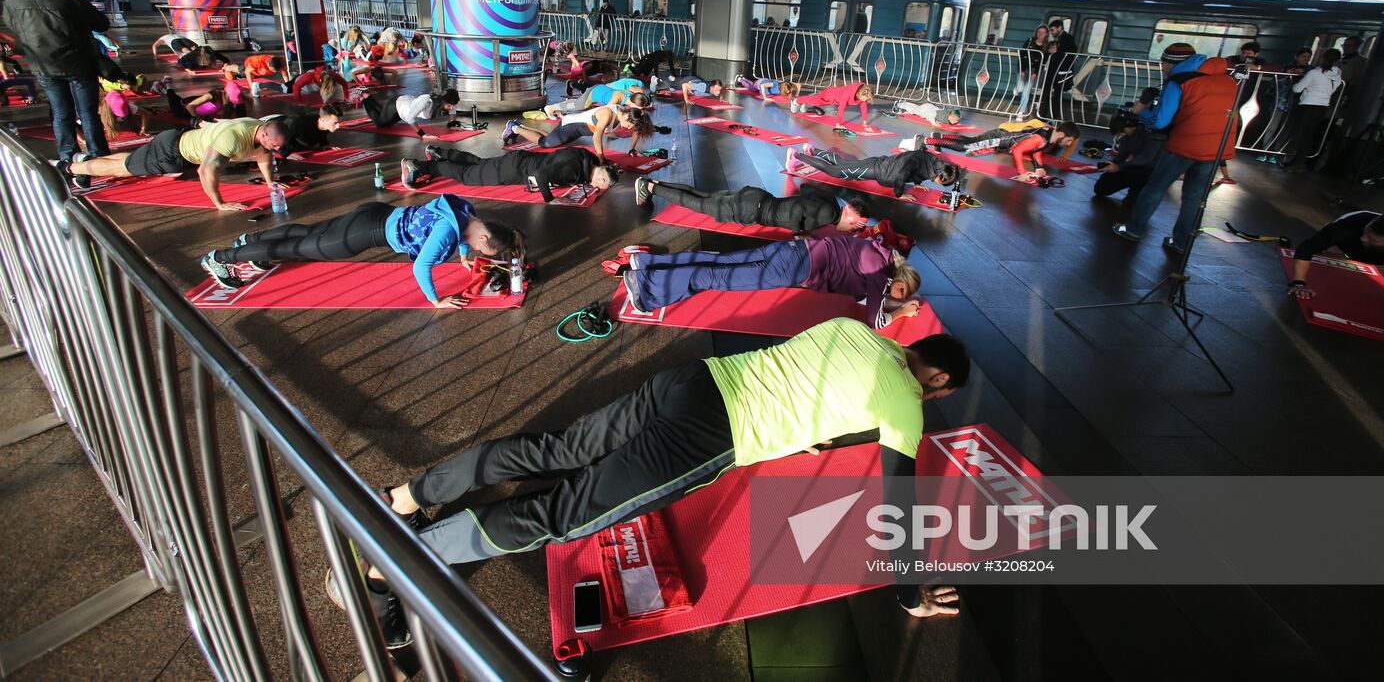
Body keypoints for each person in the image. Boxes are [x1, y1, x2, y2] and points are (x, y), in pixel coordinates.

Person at [347, 318, 970, 645]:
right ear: (937, 381)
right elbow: (897, 506)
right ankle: (394, 561)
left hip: (692, 380)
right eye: (939, 393)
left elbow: (801, 373)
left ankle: (404, 497)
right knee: (561, 516)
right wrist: (908, 593)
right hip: (707, 434)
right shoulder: (906, 405)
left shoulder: (856, 331)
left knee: (554, 450)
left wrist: (799, 431)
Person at [198, 195, 526, 308]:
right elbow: (420, 268)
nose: (475, 250)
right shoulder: (446, 235)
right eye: (481, 249)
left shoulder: (467, 212)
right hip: (361, 235)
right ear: (483, 239)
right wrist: (435, 300)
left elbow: (458, 230)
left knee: (306, 232)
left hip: (374, 212)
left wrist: (462, 255)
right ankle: (220, 259)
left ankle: (249, 241)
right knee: (298, 247)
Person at [617, 235, 923, 327]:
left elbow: (865, 296)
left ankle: (644, 263)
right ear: (898, 277)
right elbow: (874, 319)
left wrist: (893, 300)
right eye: (898, 289)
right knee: (715, 277)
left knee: (718, 261)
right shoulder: (876, 270)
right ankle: (645, 290)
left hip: (792, 249)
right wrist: (901, 312)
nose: (892, 293)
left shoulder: (872, 251)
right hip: (794, 267)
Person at [1112, 44, 1240, 252]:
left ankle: (1133, 229)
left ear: (1172, 63)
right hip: (1218, 147)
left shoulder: (1179, 82)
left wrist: (1141, 111)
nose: (1162, 68)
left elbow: (1160, 121)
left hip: (1186, 144)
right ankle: (1181, 242)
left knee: (1155, 188)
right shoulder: (1228, 79)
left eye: (1164, 63)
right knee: (1194, 197)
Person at [1, 0, 114, 164]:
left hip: (43, 66)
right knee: (87, 112)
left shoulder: (13, 4)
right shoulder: (70, 2)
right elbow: (102, 23)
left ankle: (67, 155)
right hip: (79, 64)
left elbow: (13, 25)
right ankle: (98, 154)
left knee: (61, 112)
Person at [67, 117, 288, 205]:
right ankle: (70, 167)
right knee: (122, 169)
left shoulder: (259, 129)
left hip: (180, 141)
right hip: (171, 152)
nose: (277, 149)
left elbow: (264, 156)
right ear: (265, 135)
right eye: (275, 145)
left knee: (131, 160)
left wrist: (270, 182)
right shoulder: (232, 138)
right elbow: (205, 171)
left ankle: (86, 161)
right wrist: (220, 203)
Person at [635, 178, 872, 234]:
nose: (851, 231)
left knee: (703, 195)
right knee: (698, 204)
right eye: (854, 228)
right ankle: (650, 187)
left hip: (757, 197)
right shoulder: (829, 213)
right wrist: (798, 235)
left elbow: (806, 188)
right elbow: (799, 207)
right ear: (851, 218)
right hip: (753, 209)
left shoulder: (831, 202)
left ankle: (655, 183)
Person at [401, 146, 620, 204]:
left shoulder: (586, 158)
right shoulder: (572, 170)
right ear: (600, 179)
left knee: (479, 163)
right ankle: (419, 167)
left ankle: (440, 153)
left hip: (520, 158)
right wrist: (550, 199)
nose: (597, 190)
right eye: (600, 187)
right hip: (515, 170)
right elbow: (541, 175)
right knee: (468, 175)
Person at [1287, 211, 1384, 299]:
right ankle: (1329, 234)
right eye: (1365, 233)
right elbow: (1306, 249)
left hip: (1380, 252)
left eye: (1372, 239)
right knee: (1328, 243)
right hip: (1348, 237)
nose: (1363, 238)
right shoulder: (1346, 228)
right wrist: (1299, 284)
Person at [789, 142, 962, 197]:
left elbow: (917, 165)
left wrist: (916, 183)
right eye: (941, 182)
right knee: (836, 171)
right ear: (941, 175)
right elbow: (903, 173)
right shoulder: (928, 168)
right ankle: (797, 156)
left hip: (878, 163)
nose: (938, 184)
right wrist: (900, 193)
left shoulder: (932, 160)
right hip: (876, 170)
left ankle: (811, 149)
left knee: (842, 164)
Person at [935, 118, 1080, 183]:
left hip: (1001, 137)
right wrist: (1022, 173)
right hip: (999, 138)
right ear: (1062, 134)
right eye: (1069, 140)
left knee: (970, 141)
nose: (1068, 144)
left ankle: (939, 137)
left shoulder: (1047, 135)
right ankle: (928, 141)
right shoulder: (1042, 138)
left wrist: (1039, 167)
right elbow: (1017, 151)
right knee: (965, 147)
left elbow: (1036, 150)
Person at [507, 105, 655, 157]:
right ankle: (515, 128)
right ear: (628, 117)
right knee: (545, 143)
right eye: (630, 126)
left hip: (577, 130)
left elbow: (635, 130)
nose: (629, 129)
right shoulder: (608, 114)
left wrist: (633, 149)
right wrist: (601, 157)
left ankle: (519, 125)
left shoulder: (623, 116)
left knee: (553, 141)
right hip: (571, 125)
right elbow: (597, 137)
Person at [1282, 48, 1343, 171]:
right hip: (1322, 106)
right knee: (1309, 134)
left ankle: (1297, 161)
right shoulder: (1337, 74)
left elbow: (1297, 89)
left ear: (1323, 58)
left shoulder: (1314, 73)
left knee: (1300, 134)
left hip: (1308, 105)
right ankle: (1299, 160)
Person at [1091, 113, 1163, 208]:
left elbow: (1146, 158)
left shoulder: (1150, 134)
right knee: (1101, 188)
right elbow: (1121, 156)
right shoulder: (1126, 136)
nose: (1121, 134)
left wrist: (1119, 167)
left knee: (1132, 204)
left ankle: (1137, 191)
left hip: (1151, 170)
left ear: (1131, 125)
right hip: (1134, 168)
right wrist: (1111, 164)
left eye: (1122, 131)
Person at [361, 89, 460, 140]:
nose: (451, 108)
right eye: (450, 105)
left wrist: (452, 122)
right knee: (380, 124)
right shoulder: (426, 101)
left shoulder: (442, 103)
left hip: (403, 107)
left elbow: (453, 110)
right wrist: (423, 134)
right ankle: (365, 100)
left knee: (384, 117)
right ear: (444, 101)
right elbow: (410, 118)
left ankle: (369, 98)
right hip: (397, 106)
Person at [544, 77, 649, 118]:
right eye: (642, 109)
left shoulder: (631, 94)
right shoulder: (619, 97)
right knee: (579, 106)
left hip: (601, 89)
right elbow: (607, 111)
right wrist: (609, 132)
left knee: (579, 104)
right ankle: (551, 108)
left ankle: (565, 105)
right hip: (595, 93)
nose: (642, 111)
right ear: (635, 104)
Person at [268, 107, 342, 159]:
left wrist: (324, 145)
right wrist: (285, 153)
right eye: (335, 123)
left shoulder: (326, 125)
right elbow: (279, 133)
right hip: (270, 124)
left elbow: (321, 134)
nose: (338, 126)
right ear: (323, 120)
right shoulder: (298, 123)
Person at [797, 82, 877, 128]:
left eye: (866, 99)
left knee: (813, 101)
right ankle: (797, 101)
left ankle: (805, 101)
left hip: (835, 100)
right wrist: (838, 124)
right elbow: (841, 108)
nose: (865, 100)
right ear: (860, 93)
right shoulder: (848, 93)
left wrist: (865, 122)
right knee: (815, 102)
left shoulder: (863, 95)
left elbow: (864, 107)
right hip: (829, 95)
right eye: (864, 98)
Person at [1016, 25, 1050, 118]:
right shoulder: (1030, 41)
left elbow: (1044, 61)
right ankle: (1018, 88)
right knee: (1020, 87)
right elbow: (1022, 54)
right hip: (1024, 66)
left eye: (1043, 32)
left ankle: (1021, 112)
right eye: (1039, 32)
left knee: (1026, 90)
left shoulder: (1047, 46)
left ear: (1046, 34)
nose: (1040, 34)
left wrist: (1035, 73)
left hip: (1034, 70)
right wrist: (1022, 70)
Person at [890, 99, 962, 127]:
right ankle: (899, 105)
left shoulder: (948, 114)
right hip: (925, 111)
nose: (956, 122)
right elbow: (931, 115)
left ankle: (903, 103)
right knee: (913, 110)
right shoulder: (942, 116)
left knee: (915, 107)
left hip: (929, 107)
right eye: (956, 120)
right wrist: (933, 123)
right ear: (950, 117)